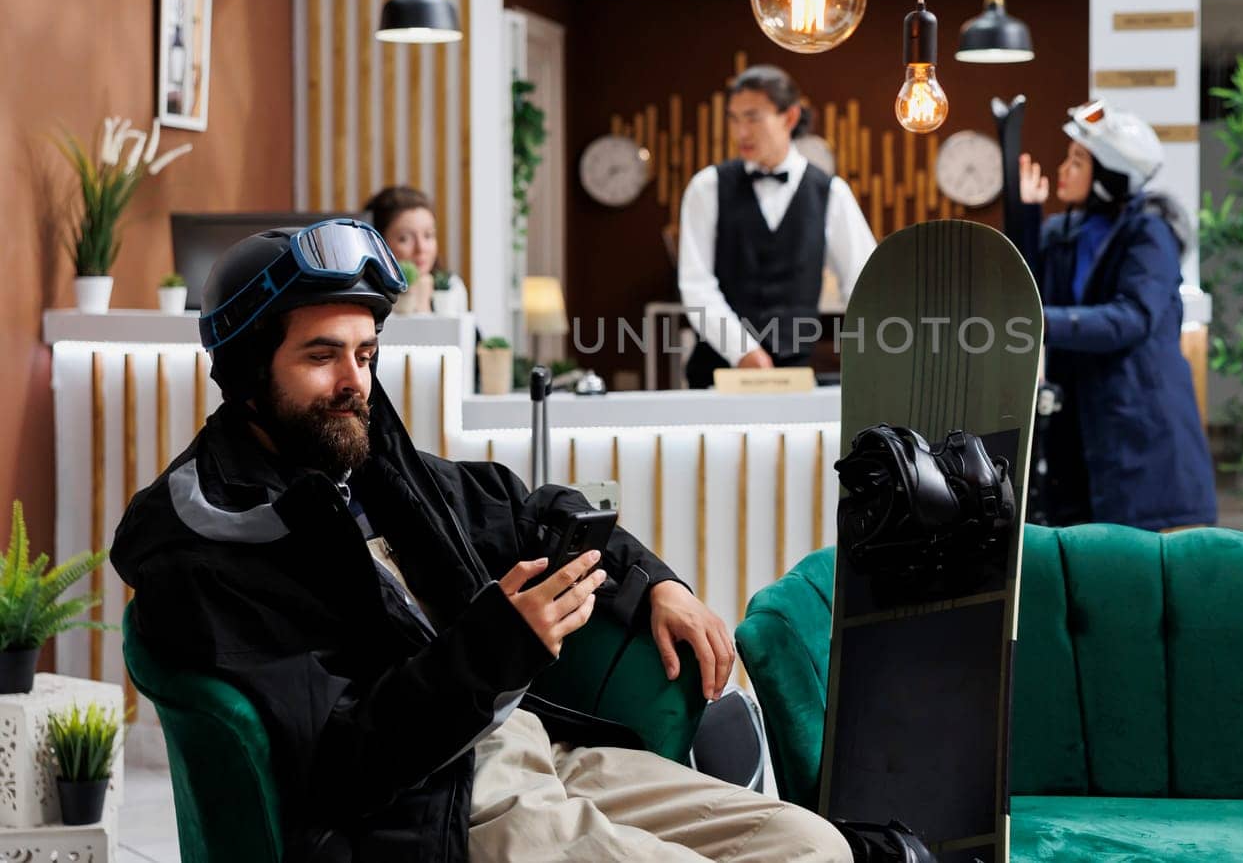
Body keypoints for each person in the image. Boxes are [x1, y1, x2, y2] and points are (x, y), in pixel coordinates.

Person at [110, 219, 848, 862]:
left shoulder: (377, 473)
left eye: (365, 355)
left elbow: (531, 513)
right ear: (244, 375)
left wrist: (657, 583)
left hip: (541, 750)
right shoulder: (210, 548)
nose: (353, 381)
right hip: (432, 807)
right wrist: (498, 642)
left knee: (817, 846)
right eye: (320, 356)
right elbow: (341, 765)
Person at [1013, 101, 1217, 531]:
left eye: (1077, 161)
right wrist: (1025, 217)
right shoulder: (1066, 232)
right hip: (1081, 435)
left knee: (1143, 579)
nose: (1063, 170)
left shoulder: (1149, 234)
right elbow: (1026, 293)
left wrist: (1043, 322)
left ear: (1108, 175)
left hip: (1141, 430)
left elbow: (1132, 317)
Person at [677, 65, 876, 388]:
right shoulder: (707, 187)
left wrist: (872, 357)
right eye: (734, 118)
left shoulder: (831, 193)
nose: (741, 132)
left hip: (794, 376)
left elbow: (865, 284)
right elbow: (696, 284)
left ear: (790, 117)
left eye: (753, 117)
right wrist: (741, 350)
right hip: (716, 374)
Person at [364, 185, 468, 312]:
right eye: (404, 239)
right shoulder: (366, 295)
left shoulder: (452, 287)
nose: (421, 248)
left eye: (428, 235)